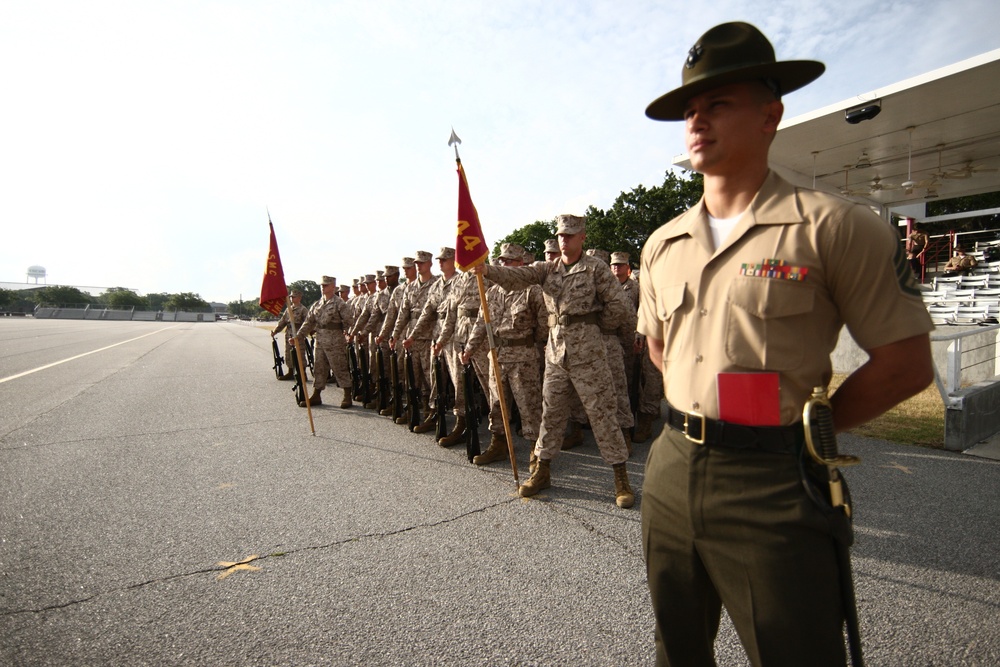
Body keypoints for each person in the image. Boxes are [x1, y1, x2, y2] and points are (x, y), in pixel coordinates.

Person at [639, 22, 934, 666]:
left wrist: (811, 435)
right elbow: (660, 349)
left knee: (794, 653)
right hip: (667, 467)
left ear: (771, 114)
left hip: (771, 481)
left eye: (718, 104)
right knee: (676, 649)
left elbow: (906, 364)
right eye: (690, 109)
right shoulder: (661, 244)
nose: (697, 121)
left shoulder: (834, 227)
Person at [476, 214, 635, 508]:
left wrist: (594, 326)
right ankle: (543, 470)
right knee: (551, 414)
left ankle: (620, 478)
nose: (564, 239)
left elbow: (620, 306)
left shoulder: (595, 268)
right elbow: (517, 277)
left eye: (570, 235)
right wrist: (486, 270)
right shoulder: (547, 269)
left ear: (582, 237)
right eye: (561, 234)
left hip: (589, 353)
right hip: (556, 352)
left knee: (602, 413)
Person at [463, 243, 547, 465]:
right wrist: (470, 348)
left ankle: (535, 451)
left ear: (521, 264)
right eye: (502, 260)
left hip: (523, 357)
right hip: (497, 356)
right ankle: (498, 444)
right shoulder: (490, 292)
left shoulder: (532, 290)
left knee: (529, 405)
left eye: (509, 261)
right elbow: (482, 324)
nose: (504, 264)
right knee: (496, 405)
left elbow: (544, 325)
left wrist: (532, 344)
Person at [298, 275, 356, 409]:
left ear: (333, 287)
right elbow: (308, 322)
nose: (322, 287)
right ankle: (316, 395)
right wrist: (299, 335)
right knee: (319, 368)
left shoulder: (339, 303)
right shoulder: (317, 304)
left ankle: (347, 395)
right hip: (320, 341)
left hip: (335, 341)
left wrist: (346, 333)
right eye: (321, 285)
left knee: (339, 367)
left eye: (325, 285)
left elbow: (349, 321)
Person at [270, 289, 308, 381]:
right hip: (289, 333)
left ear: (299, 298)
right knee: (288, 353)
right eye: (291, 297)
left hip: (298, 333)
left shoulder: (303, 309)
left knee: (300, 353)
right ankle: (291, 372)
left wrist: (308, 332)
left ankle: (303, 374)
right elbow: (282, 322)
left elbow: (308, 322)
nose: (291, 299)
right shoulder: (288, 309)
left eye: (294, 297)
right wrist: (275, 331)